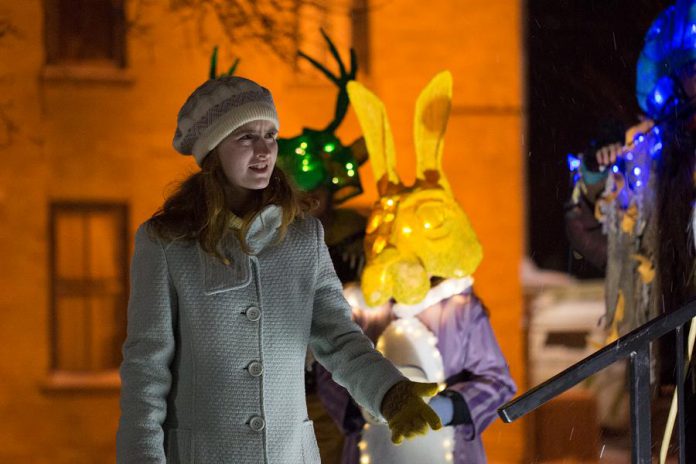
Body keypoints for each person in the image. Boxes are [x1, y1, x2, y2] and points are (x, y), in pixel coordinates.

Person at [115, 76, 443, 463]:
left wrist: (391, 393)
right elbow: (146, 369)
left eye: (270, 135)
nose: (263, 149)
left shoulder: (303, 238)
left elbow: (339, 338)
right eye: (245, 137)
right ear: (212, 151)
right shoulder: (168, 243)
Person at [565, 1, 696, 458]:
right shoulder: (646, 154)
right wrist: (597, 176)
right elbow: (589, 233)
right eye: (692, 72)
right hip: (664, 350)